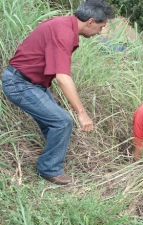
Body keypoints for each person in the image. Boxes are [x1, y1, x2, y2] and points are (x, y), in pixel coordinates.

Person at [1, 0, 114, 185]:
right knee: (62, 122)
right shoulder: (63, 32)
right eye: (101, 27)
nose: (99, 32)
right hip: (19, 83)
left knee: (55, 121)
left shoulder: (63, 25)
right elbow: (62, 77)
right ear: (91, 21)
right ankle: (49, 168)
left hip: (31, 83)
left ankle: (53, 158)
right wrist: (82, 113)